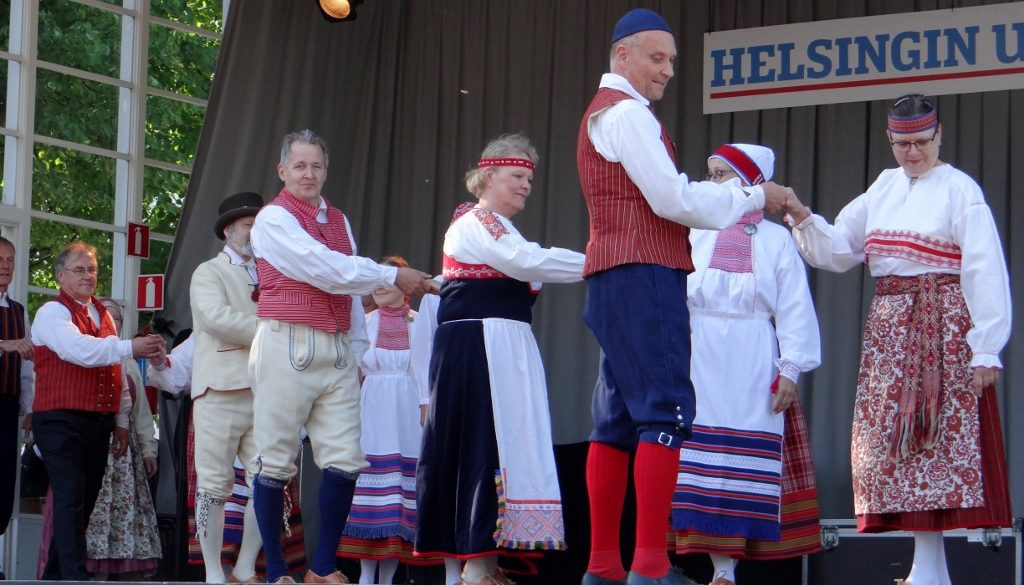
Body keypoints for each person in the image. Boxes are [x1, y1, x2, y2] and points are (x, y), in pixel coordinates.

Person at [575, 9, 790, 585]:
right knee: (664, 411)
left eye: (671, 60)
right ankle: (648, 564)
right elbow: (672, 198)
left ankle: (603, 566)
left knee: (616, 419)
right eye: (657, 58)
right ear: (622, 55)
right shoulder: (627, 116)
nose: (668, 70)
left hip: (615, 275)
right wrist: (752, 196)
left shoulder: (609, 116)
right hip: (644, 273)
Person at [782, 94, 1012, 585]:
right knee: (891, 447)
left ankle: (931, 571)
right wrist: (801, 214)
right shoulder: (883, 187)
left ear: (939, 136)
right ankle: (925, 569)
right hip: (890, 326)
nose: (912, 153)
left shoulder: (958, 189)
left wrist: (985, 345)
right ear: (889, 140)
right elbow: (839, 249)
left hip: (943, 326)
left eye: (921, 142)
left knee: (937, 439)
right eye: (902, 143)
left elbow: (983, 268)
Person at [249, 129, 432, 584]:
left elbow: (348, 289)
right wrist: (393, 273)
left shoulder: (338, 218)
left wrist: (355, 348)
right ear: (282, 171)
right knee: (275, 459)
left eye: (316, 166)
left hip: (333, 347)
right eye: (300, 166)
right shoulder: (272, 219)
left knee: (347, 459)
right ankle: (276, 572)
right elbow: (324, 269)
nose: (308, 174)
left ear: (326, 170)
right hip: (287, 341)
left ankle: (323, 569)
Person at [415, 133, 585, 585]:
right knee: (483, 440)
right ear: (488, 174)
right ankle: (474, 564)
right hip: (479, 346)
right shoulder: (479, 221)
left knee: (498, 441)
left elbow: (521, 259)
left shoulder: (499, 226)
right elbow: (524, 261)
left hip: (501, 345)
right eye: (517, 175)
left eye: (529, 178)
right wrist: (598, 262)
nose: (526, 185)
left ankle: (483, 561)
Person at [669, 145, 822, 585]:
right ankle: (714, 568)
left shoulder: (776, 240)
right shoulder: (693, 231)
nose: (712, 183)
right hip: (699, 350)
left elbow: (795, 308)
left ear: (750, 182)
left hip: (754, 353)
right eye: (711, 173)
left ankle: (727, 570)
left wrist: (790, 368)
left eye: (722, 175)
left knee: (743, 455)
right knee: (696, 452)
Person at [30, 241, 164, 580]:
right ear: (60, 275)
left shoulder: (103, 315)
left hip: (97, 420)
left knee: (85, 502)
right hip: (59, 419)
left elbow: (115, 374)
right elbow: (79, 351)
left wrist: (121, 421)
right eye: (80, 269)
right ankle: (76, 577)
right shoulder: (51, 312)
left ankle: (55, 578)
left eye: (92, 269)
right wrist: (130, 346)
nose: (88, 276)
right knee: (71, 497)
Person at [338, 255, 432, 585]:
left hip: (407, 411)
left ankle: (390, 576)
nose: (378, 287)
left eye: (387, 280)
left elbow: (427, 371)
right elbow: (350, 369)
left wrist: (425, 405)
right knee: (370, 487)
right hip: (372, 407)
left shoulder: (420, 322)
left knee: (399, 494)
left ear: (404, 288)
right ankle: (365, 576)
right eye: (375, 281)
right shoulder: (363, 323)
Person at [190, 191, 267, 584]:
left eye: (260, 224)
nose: (256, 231)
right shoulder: (208, 272)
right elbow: (215, 318)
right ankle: (213, 574)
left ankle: (244, 567)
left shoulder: (273, 273)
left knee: (269, 480)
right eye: (250, 224)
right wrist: (274, 331)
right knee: (214, 484)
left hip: (265, 391)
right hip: (219, 389)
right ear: (228, 230)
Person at [84, 299, 162, 578]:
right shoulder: (83, 353)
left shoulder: (127, 362)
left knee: (123, 519)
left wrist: (149, 449)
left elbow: (141, 411)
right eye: (106, 316)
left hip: (124, 455)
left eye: (116, 318)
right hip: (92, 446)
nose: (112, 322)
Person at [0, 236, 34, 560]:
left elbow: (26, 366)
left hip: (7, 406)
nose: (5, 266)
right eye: (0, 259)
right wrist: (4, 344)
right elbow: (12, 348)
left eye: (10, 260)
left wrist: (30, 408)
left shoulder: (18, 310)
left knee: (3, 480)